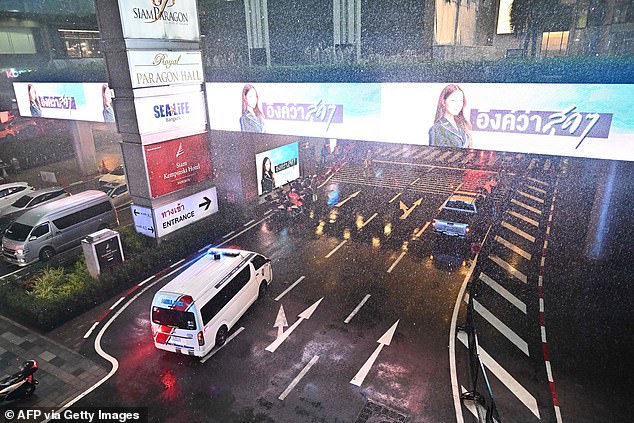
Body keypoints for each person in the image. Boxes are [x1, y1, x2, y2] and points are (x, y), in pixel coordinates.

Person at [429, 84, 472, 148]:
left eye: (460, 101)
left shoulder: (462, 125)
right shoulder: (436, 129)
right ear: (443, 102)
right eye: (453, 100)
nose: (457, 105)